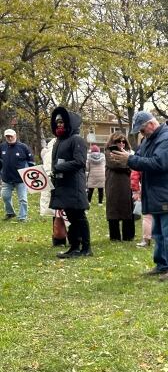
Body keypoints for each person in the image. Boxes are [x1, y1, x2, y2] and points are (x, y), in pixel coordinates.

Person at [110, 111, 168, 281]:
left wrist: (130, 160)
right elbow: (140, 157)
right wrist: (126, 157)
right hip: (157, 194)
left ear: (151, 125)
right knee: (159, 233)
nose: (141, 134)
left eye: (142, 130)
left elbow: (160, 163)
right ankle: (162, 265)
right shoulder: (150, 140)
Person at [49, 107, 92, 258]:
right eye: (57, 122)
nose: (58, 124)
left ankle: (86, 248)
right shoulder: (59, 141)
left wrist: (59, 167)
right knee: (71, 218)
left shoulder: (76, 139)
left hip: (74, 185)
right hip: (63, 184)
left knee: (79, 217)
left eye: (61, 121)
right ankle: (74, 247)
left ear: (69, 123)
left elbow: (79, 162)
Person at [104, 133, 135, 241]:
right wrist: (128, 165)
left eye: (123, 141)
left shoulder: (128, 153)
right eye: (118, 141)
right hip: (113, 184)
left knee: (127, 209)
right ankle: (115, 236)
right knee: (113, 209)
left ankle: (128, 235)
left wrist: (129, 163)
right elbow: (114, 164)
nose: (121, 144)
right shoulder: (108, 151)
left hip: (127, 184)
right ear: (113, 142)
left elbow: (134, 165)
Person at [1, 128, 34, 222]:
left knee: (23, 199)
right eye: (7, 136)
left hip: (21, 179)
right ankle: (10, 213)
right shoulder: (2, 147)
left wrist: (29, 174)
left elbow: (31, 161)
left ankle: (23, 217)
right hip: (6, 178)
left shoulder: (23, 147)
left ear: (15, 136)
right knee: (5, 197)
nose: (9, 138)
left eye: (11, 136)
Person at [40, 138, 68, 246]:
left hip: (56, 181)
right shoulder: (49, 150)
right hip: (54, 181)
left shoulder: (49, 149)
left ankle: (60, 239)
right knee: (59, 211)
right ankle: (61, 238)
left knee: (59, 211)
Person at [131, 169, 152, 248]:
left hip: (146, 187)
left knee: (147, 216)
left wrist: (135, 191)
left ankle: (146, 240)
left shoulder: (141, 157)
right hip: (163, 188)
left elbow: (135, 175)